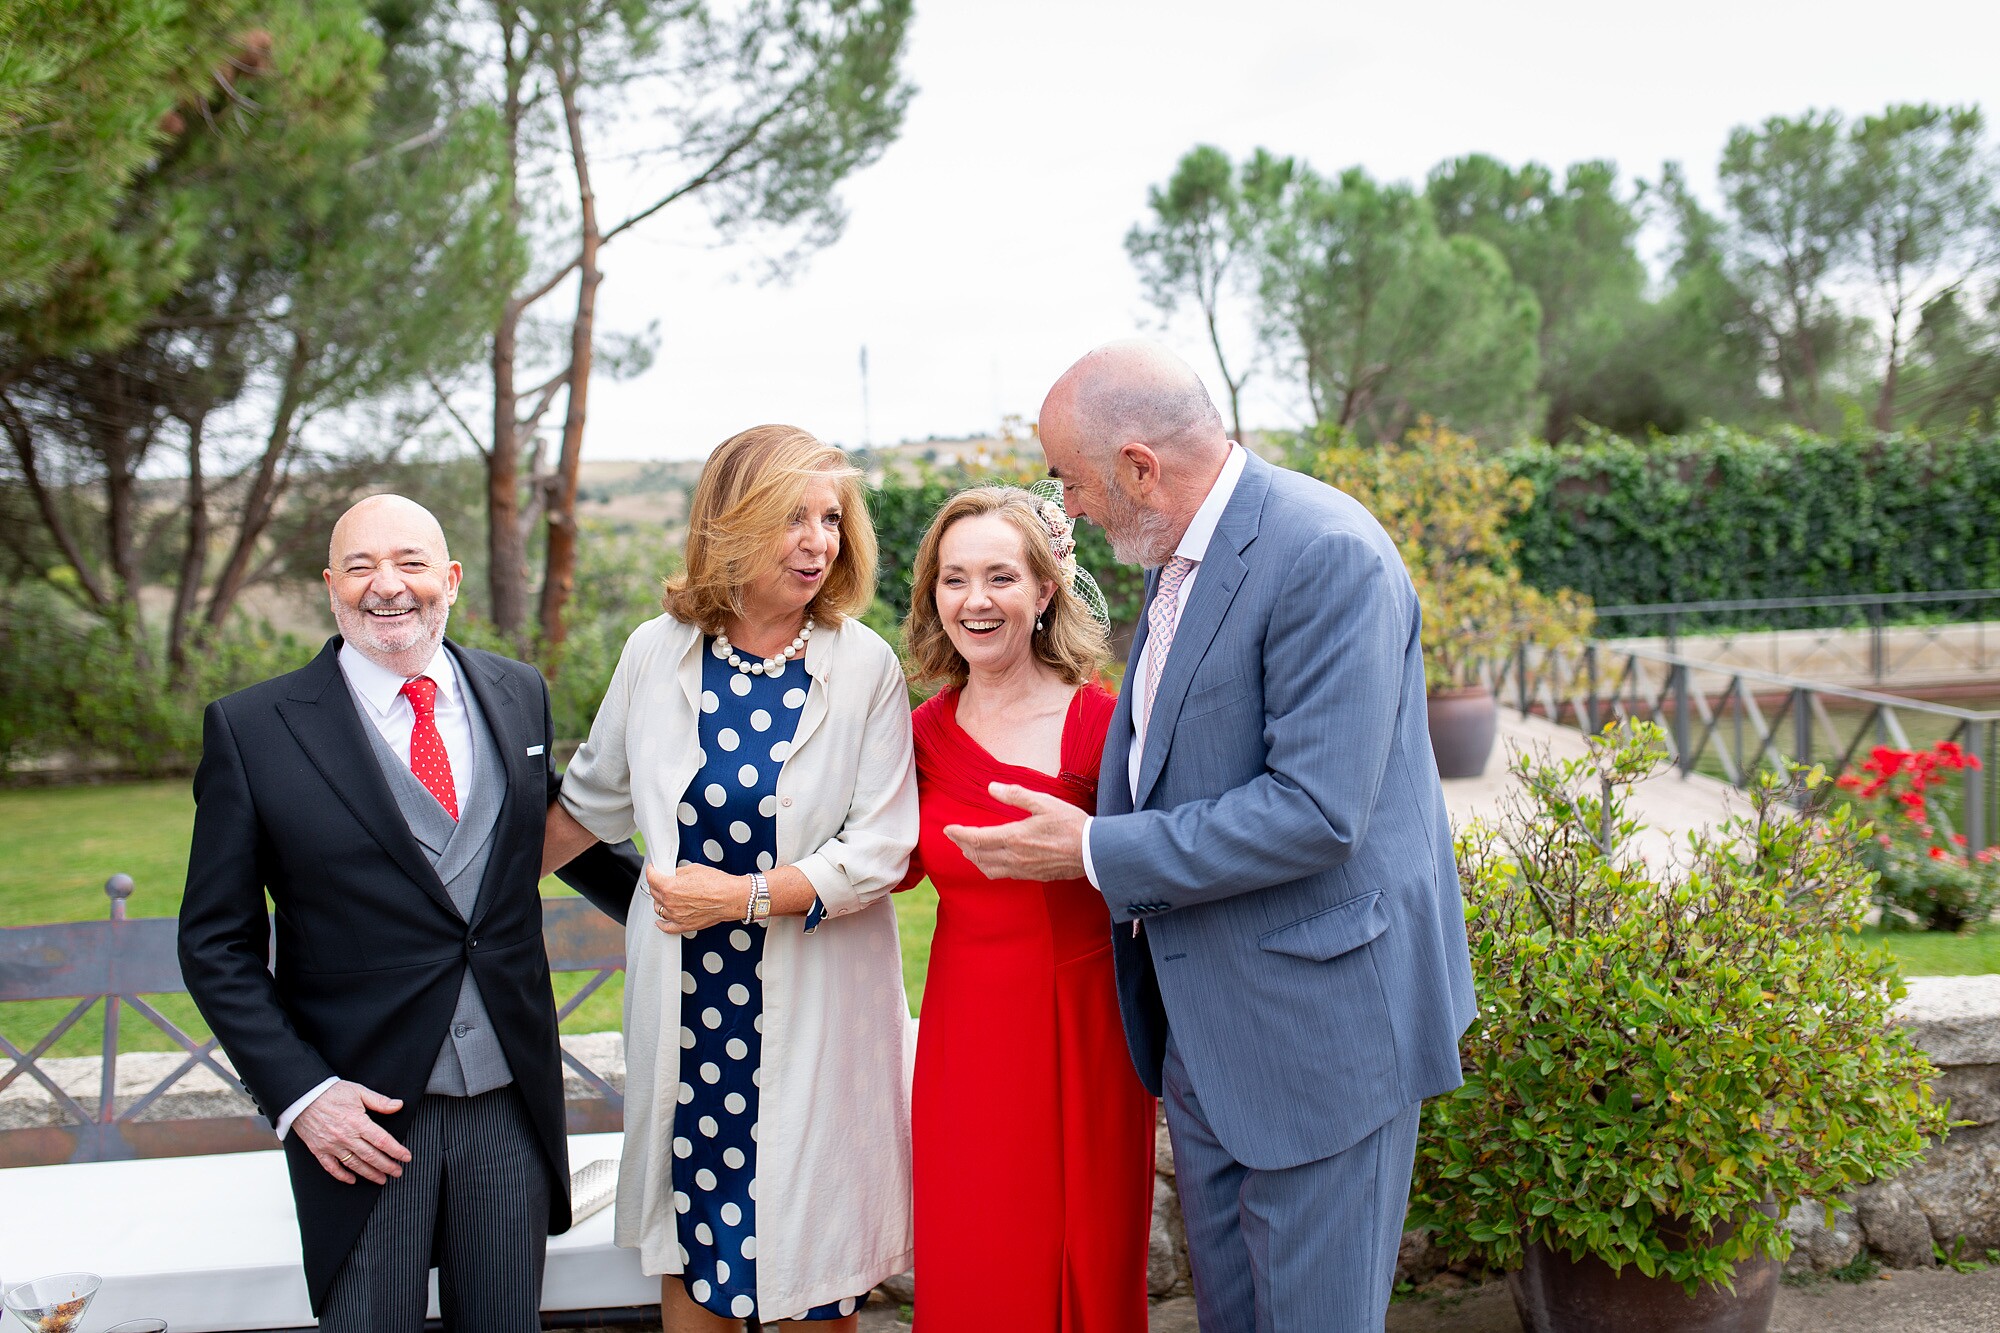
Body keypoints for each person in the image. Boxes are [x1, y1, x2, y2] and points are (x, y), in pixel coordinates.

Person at [945, 341, 1478, 1332]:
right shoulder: (1176, 556)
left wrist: (1094, 850)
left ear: (1139, 466)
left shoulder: (1326, 553)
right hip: (1207, 1034)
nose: (1065, 509)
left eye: (1070, 480)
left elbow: (1317, 811)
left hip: (1320, 1036)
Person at [178, 494, 641, 1330]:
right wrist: (303, 1094)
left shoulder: (515, 690)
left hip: (510, 1102)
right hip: (361, 1115)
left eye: (411, 563)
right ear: (330, 587)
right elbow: (215, 944)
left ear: (451, 580)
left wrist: (714, 904)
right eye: (359, 567)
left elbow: (556, 827)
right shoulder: (252, 729)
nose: (386, 586)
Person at [543, 424, 918, 1331]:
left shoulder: (862, 665)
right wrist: (457, 910)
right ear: (731, 521)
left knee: (810, 1259)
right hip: (690, 1005)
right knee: (693, 1234)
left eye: (831, 518)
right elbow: (587, 801)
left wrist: (743, 897)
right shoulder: (656, 651)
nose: (818, 541)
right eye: (793, 516)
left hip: (813, 1003)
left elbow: (879, 850)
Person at [899, 485, 1154, 1332]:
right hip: (963, 1033)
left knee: (1081, 1255)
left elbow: (1166, 867)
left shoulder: (1104, 724)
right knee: (976, 1250)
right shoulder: (919, 737)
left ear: (1045, 590)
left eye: (1001, 577)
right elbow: (876, 863)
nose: (975, 600)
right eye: (954, 578)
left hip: (1084, 1035)